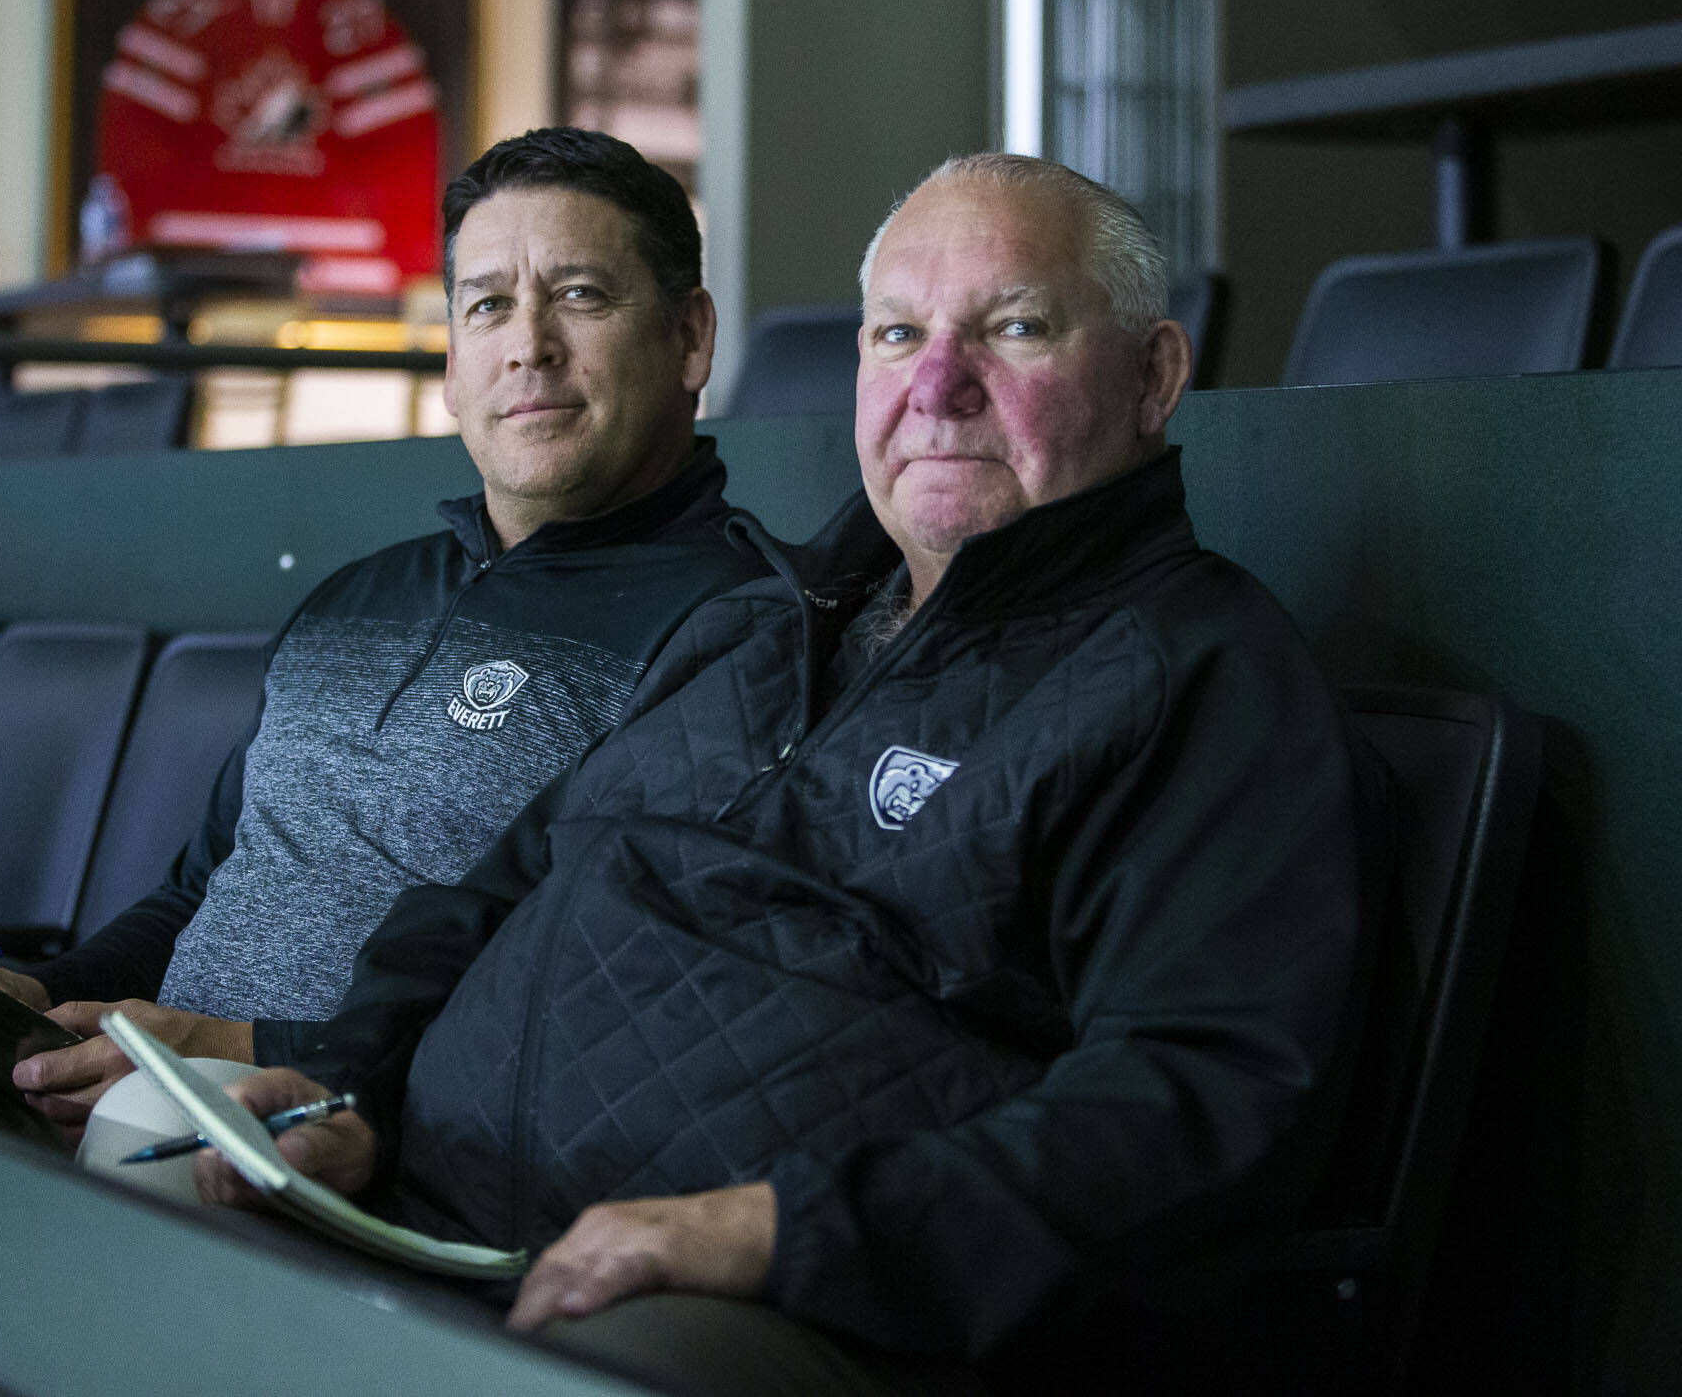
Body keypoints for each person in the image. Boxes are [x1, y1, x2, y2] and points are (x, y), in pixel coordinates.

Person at [196, 154, 1391, 1393]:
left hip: (795, 1315)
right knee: (137, 1224)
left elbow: (1192, 1115)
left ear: (1151, 378)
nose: (937, 387)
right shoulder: (754, 628)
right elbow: (493, 893)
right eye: (896, 333)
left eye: (1016, 328)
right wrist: (346, 1085)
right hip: (439, 1213)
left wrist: (765, 1232)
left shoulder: (1195, 677)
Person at [0, 127, 766, 1136]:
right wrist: (43, 998)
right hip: (139, 1103)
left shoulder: (733, 634)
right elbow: (197, 893)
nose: (527, 343)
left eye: (579, 295)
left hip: (347, 1146)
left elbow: (575, 1011)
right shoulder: (356, 600)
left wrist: (254, 1054)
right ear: (452, 361)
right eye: (486, 306)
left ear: (689, 338)